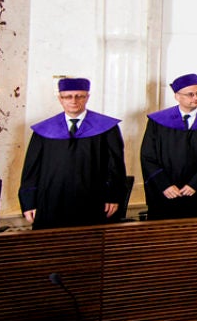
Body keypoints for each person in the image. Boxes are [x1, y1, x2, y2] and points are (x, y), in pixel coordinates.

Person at [18, 77, 125, 229]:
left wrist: (112, 196)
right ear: (60, 99)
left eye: (79, 96)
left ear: (87, 97)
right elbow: (31, 170)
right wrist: (29, 202)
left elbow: (116, 166)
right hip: (51, 200)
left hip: (94, 200)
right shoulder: (44, 130)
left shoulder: (106, 128)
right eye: (68, 96)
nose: (73, 101)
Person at [140, 73, 197, 219]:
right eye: (190, 94)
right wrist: (164, 185)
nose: (196, 98)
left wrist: (196, 184)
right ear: (177, 96)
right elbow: (148, 156)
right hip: (165, 194)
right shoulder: (158, 121)